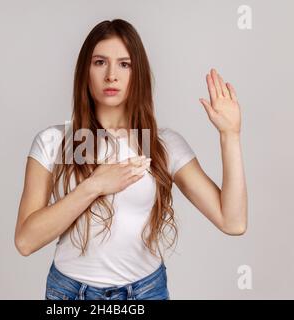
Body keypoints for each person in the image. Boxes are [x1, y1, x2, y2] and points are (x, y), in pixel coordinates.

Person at [14, 19, 248, 300]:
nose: (111, 75)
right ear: (85, 72)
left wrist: (230, 135)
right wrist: (94, 186)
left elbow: (232, 222)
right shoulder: (54, 142)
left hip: (145, 292)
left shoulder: (162, 145)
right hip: (71, 294)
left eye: (124, 64)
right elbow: (26, 241)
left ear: (138, 74)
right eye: (100, 62)